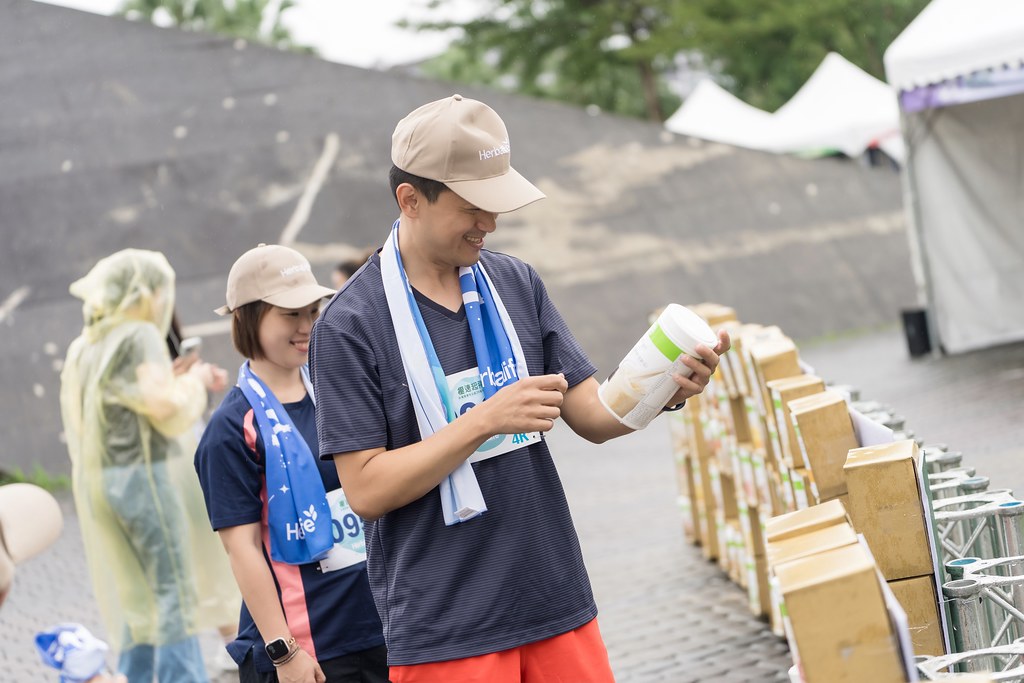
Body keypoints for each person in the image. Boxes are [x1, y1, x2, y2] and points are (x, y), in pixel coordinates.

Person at [309, 94, 731, 682]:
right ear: (410, 200)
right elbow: (365, 490)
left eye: (496, 204)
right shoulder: (350, 325)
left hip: (554, 599)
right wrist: (483, 418)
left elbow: (593, 416)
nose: (491, 222)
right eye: (472, 206)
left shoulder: (515, 283)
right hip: (446, 631)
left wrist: (669, 384)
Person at [194, 244, 387, 683]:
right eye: (289, 315)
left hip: (383, 627)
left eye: (312, 311)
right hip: (308, 650)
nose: (306, 327)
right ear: (246, 317)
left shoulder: (339, 391)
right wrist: (284, 652)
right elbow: (241, 548)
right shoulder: (231, 428)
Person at [59, 249, 224, 683]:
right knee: (172, 591)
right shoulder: (137, 335)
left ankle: (135, 675)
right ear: (144, 292)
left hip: (100, 483)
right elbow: (164, 408)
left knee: (136, 595)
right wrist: (197, 380)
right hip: (143, 479)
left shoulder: (88, 343)